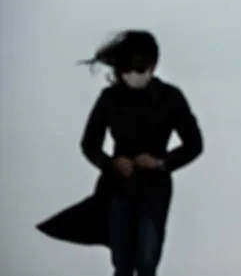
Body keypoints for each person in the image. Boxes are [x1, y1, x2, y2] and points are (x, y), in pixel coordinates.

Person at [37, 30, 203, 276]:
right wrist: (111, 163)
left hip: (154, 190)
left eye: (140, 67)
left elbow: (194, 144)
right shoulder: (110, 98)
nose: (134, 74)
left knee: (147, 261)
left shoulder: (170, 98)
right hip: (118, 188)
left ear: (153, 65)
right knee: (122, 262)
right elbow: (89, 143)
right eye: (129, 68)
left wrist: (161, 163)